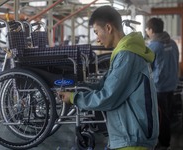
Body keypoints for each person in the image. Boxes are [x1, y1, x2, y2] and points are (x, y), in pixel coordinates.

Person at [58, 5, 159, 150]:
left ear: (108, 28)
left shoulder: (127, 56)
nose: (97, 39)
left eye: (96, 32)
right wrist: (77, 87)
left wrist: (75, 98)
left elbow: (108, 96)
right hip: (129, 135)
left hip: (133, 139)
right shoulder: (124, 53)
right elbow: (103, 86)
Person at [145, 18, 179, 150]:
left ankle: (164, 144)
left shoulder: (153, 46)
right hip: (171, 84)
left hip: (159, 87)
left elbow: (147, 67)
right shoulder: (173, 43)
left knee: (160, 116)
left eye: (147, 29)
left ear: (151, 30)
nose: (147, 32)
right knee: (166, 114)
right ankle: (165, 142)